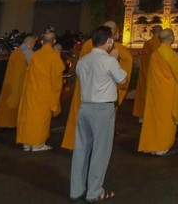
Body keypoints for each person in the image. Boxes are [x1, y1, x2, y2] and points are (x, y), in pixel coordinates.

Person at [69, 25, 127, 203]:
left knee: (81, 149)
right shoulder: (109, 61)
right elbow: (123, 80)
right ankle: (94, 192)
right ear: (109, 41)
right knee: (100, 151)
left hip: (85, 107)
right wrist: (115, 60)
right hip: (102, 109)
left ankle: (76, 189)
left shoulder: (83, 60)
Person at [63, 21, 131, 151]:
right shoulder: (113, 50)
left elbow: (80, 65)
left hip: (85, 90)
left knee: (81, 123)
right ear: (113, 35)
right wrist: (113, 61)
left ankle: (76, 143)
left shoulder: (89, 45)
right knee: (100, 143)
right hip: (101, 98)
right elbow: (123, 76)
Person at [138, 29, 178, 156]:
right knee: (165, 119)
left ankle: (151, 145)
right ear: (172, 38)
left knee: (154, 118)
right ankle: (161, 147)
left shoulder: (155, 53)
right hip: (167, 93)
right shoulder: (170, 54)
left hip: (154, 92)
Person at [16, 32, 64, 152]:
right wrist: (56, 94)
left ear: (42, 41)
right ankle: (37, 144)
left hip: (31, 91)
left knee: (29, 117)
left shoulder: (35, 55)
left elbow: (28, 72)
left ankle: (27, 143)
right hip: (44, 93)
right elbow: (57, 79)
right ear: (54, 41)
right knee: (40, 118)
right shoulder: (54, 57)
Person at [0, 35, 35, 129]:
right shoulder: (28, 52)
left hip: (10, 80)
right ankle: (12, 122)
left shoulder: (16, 51)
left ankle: (3, 121)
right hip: (20, 81)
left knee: (7, 100)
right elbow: (34, 66)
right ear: (31, 43)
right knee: (16, 102)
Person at [132, 25, 163, 121]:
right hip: (155, 74)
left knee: (143, 93)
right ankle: (152, 115)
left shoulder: (147, 44)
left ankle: (142, 116)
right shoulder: (159, 45)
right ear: (160, 33)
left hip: (145, 72)